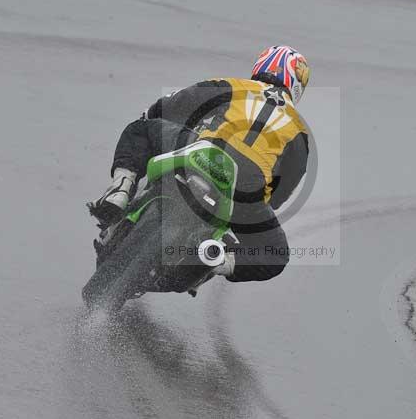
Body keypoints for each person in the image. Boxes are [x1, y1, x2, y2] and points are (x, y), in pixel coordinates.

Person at [87, 45, 311, 282]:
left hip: (205, 152)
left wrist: (153, 115)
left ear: (262, 65)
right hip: (245, 189)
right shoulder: (300, 132)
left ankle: (121, 189)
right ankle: (218, 260)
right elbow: (281, 193)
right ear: (297, 85)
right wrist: (253, 210)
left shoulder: (234, 85)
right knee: (276, 254)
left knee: (139, 130)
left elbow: (175, 104)